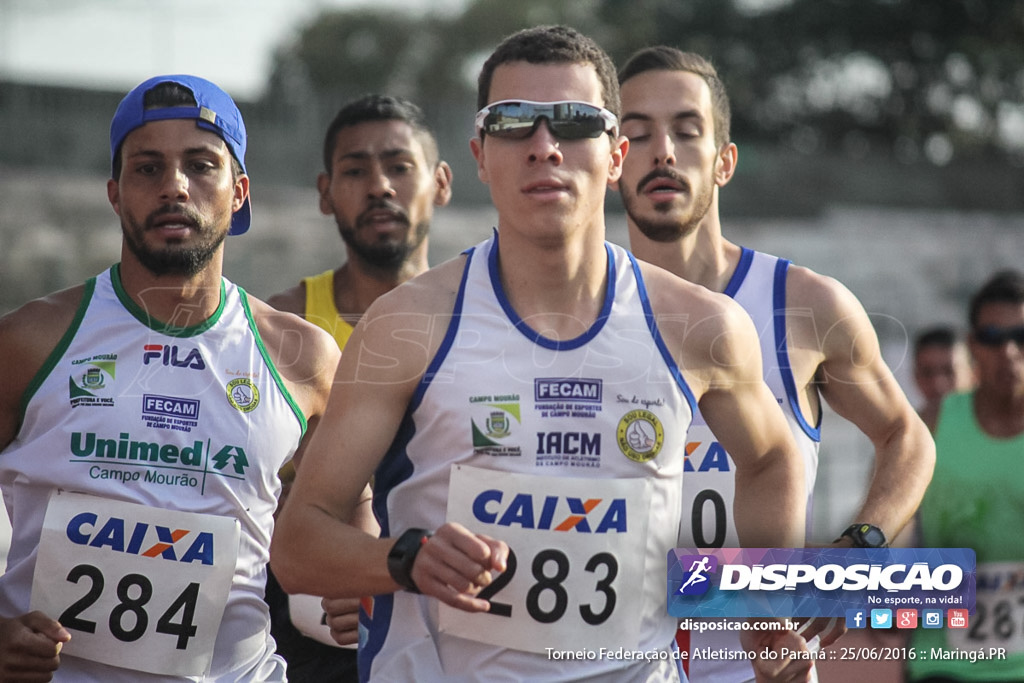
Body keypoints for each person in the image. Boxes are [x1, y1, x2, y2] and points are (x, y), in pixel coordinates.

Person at [272, 25, 808, 683]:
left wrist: (766, 606)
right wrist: (402, 559)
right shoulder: (406, 326)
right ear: (479, 153)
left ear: (616, 155)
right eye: (514, 122)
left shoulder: (702, 327)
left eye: (576, 122)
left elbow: (774, 457)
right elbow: (299, 544)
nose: (545, 147)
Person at [0, 74, 339, 681]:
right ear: (114, 193)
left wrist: (355, 585)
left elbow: (348, 509)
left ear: (238, 192)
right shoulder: (28, 340)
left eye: (201, 165)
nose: (174, 187)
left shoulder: (302, 358)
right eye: (147, 168)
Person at [615, 47, 935, 681]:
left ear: (725, 161)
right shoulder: (573, 314)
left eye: (686, 129)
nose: (664, 152)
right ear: (612, 161)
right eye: (637, 133)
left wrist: (863, 545)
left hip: (760, 669)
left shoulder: (804, 305)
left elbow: (906, 436)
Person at [263, 93, 452, 682]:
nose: (379, 186)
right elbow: (245, 489)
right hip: (308, 627)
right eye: (355, 170)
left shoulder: (482, 319)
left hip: (450, 603)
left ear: (441, 182)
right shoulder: (282, 327)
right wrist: (334, 568)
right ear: (325, 193)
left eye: (399, 166)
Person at [907, 269, 1024, 683]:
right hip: (943, 665)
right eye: (994, 336)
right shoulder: (931, 424)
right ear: (973, 344)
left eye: (1021, 337)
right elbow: (893, 522)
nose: (1009, 351)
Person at [913, 326, 974, 433]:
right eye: (927, 372)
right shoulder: (902, 434)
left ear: (973, 374)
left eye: (949, 371)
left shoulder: (1000, 431)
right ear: (915, 376)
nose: (938, 383)